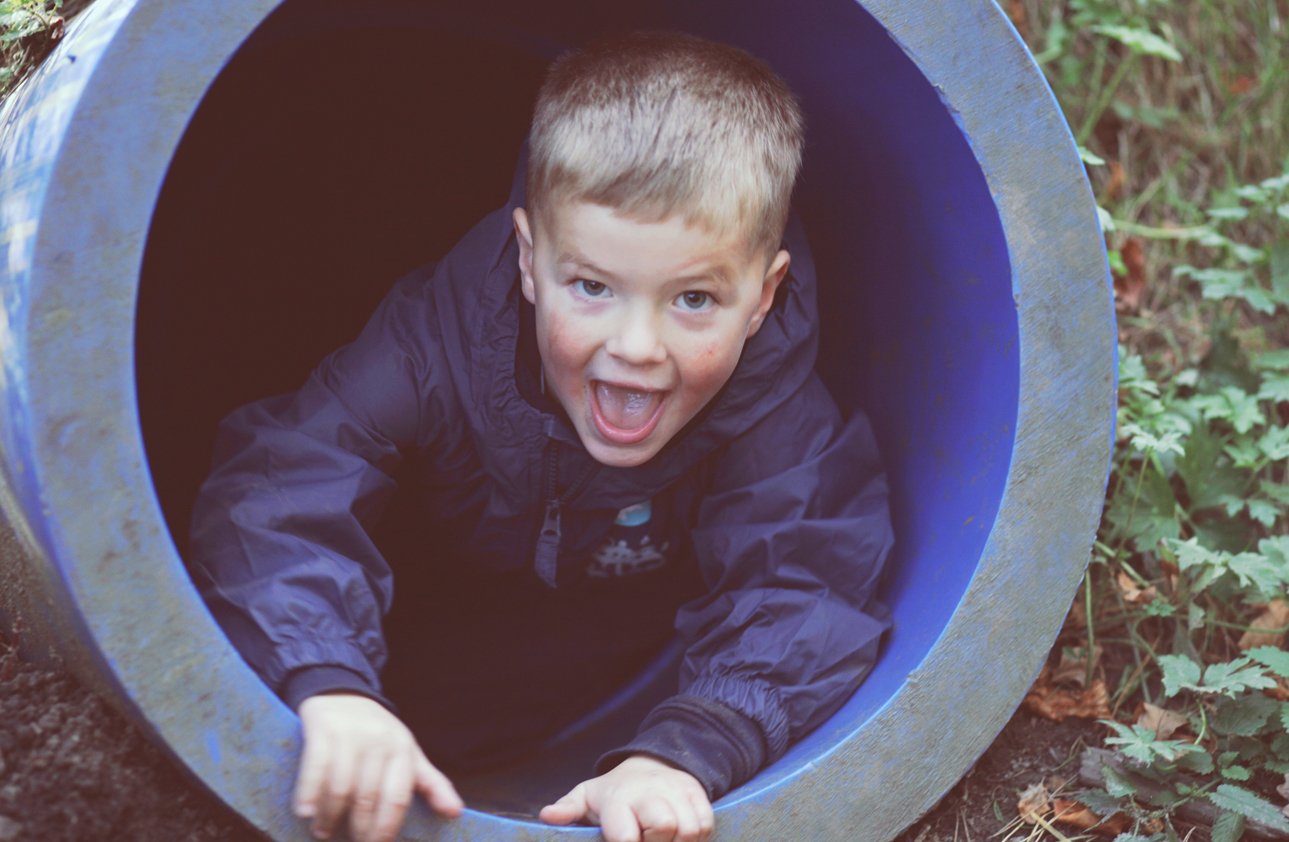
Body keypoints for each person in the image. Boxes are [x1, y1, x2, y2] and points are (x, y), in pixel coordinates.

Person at [190, 30, 893, 842]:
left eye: (693, 299)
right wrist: (330, 685)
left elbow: (808, 579)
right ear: (529, 261)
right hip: (427, 612)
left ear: (764, 295)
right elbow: (281, 486)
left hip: (599, 653)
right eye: (592, 286)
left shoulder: (771, 403)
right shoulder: (433, 342)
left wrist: (682, 753)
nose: (637, 345)